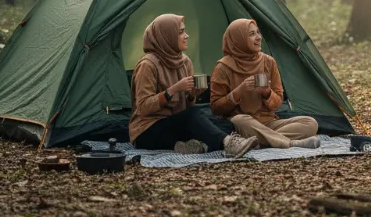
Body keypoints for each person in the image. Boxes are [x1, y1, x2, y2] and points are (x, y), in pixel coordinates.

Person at [129, 14, 257, 157]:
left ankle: (195, 146)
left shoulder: (185, 62)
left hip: (176, 125)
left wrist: (192, 95)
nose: (187, 36)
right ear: (167, 36)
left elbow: (186, 109)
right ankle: (228, 144)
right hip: (148, 129)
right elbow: (143, 107)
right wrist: (173, 90)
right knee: (194, 115)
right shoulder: (147, 65)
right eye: (181, 32)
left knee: (225, 124)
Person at [210, 19, 320, 149]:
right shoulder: (223, 67)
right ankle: (290, 143)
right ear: (238, 39)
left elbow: (277, 103)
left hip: (269, 122)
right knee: (239, 119)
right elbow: (216, 108)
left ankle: (257, 142)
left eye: (258, 32)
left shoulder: (268, 62)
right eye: (252, 34)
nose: (258, 37)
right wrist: (238, 92)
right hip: (244, 125)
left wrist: (267, 93)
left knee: (310, 123)